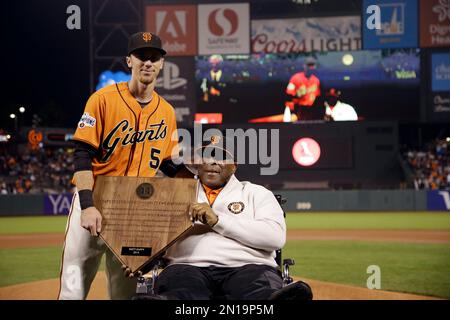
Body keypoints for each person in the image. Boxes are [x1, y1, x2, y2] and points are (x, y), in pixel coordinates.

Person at [58, 32, 182, 300]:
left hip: (134, 211)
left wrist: (195, 164)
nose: (148, 62)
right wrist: (88, 204)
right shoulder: (102, 99)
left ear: (161, 64)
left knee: (124, 292)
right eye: (141, 56)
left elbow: (169, 165)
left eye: (154, 57)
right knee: (73, 289)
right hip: (96, 199)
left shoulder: (167, 112)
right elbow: (82, 153)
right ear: (129, 61)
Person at [152, 136, 289, 300]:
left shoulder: (256, 193)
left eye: (221, 157)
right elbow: (153, 236)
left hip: (249, 266)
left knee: (258, 293)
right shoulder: (175, 195)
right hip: (187, 266)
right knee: (181, 293)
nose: (212, 162)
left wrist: (218, 221)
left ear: (234, 166)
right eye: (206, 156)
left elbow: (275, 238)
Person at [285, 56, 321, 121]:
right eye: (309, 65)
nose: (311, 67)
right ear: (304, 66)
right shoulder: (295, 78)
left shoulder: (316, 80)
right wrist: (292, 112)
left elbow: (317, 97)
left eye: (312, 65)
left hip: (311, 109)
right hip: (298, 108)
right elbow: (288, 96)